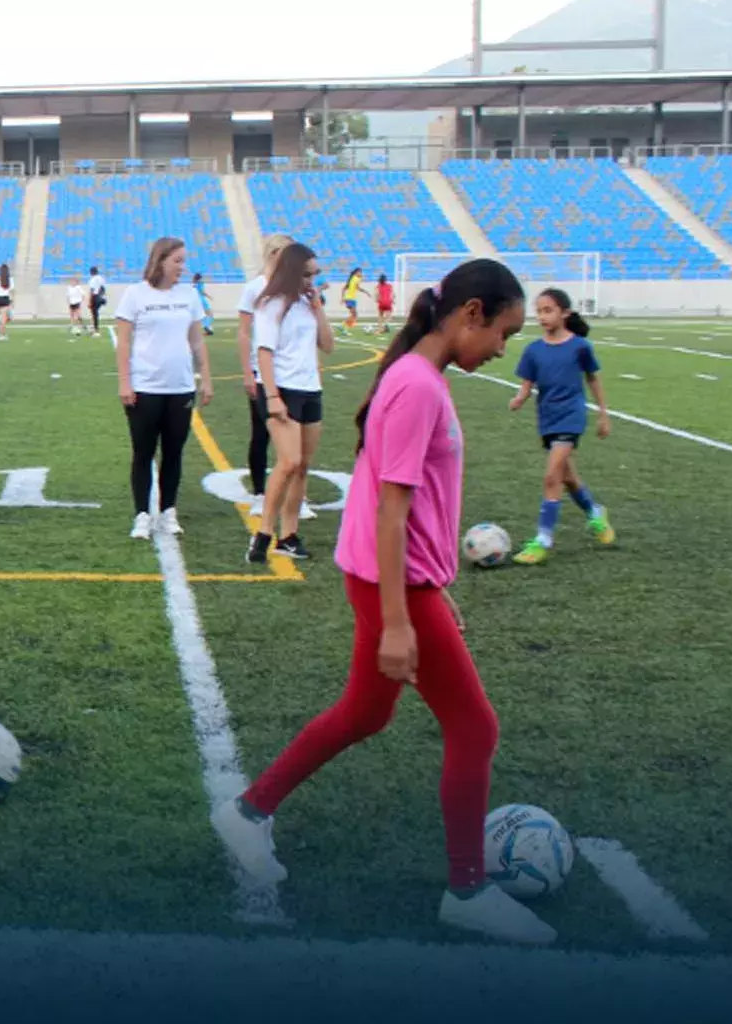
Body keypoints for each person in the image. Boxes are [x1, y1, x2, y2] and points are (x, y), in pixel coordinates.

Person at [212, 259, 557, 946]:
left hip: (402, 581)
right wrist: (400, 621)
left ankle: (248, 814)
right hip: (388, 583)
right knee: (475, 729)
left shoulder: (418, 379)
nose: (500, 349)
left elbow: (403, 503)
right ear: (472, 314)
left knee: (365, 713)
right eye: (504, 332)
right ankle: (467, 889)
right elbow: (390, 511)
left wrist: (434, 592)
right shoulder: (417, 386)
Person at [113, 237, 213, 540]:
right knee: (143, 452)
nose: (182, 267)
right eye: (177, 261)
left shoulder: (189, 296)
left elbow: (196, 340)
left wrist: (205, 377)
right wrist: (124, 382)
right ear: (161, 260)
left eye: (183, 261)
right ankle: (142, 514)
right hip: (144, 386)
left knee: (174, 453)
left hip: (180, 387)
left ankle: (169, 510)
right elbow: (125, 342)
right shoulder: (135, 294)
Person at [509, 287, 614, 565]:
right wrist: (520, 398)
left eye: (548, 310)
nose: (542, 316)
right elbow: (527, 382)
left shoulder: (579, 346)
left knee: (551, 477)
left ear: (564, 313)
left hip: (571, 416)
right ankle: (595, 513)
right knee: (568, 478)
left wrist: (604, 414)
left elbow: (593, 379)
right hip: (547, 419)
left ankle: (543, 540)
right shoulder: (534, 350)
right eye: (539, 311)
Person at [246, 243, 335, 564]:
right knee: (288, 462)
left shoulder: (307, 303)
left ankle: (289, 535)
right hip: (281, 388)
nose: (312, 280)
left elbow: (328, 345)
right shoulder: (271, 304)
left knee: (302, 466)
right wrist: (271, 396)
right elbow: (264, 352)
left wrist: (318, 309)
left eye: (315, 274)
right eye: (306, 274)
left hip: (309, 388)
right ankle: (263, 534)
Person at [238, 234, 294, 519]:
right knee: (261, 433)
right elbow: (245, 331)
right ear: (272, 254)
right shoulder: (254, 288)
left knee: (296, 436)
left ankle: (297, 495)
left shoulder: (295, 288)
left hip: (292, 374)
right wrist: (248, 372)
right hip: (263, 371)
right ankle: (260, 492)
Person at [340, 267, 370, 334]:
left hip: (351, 299)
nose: (361, 273)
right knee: (354, 315)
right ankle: (344, 328)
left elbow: (343, 288)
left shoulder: (351, 278)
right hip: (350, 299)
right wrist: (366, 292)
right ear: (356, 272)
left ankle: (343, 326)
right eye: (360, 272)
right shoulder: (356, 279)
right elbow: (358, 288)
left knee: (354, 315)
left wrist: (342, 298)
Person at [87, 266, 108, 333]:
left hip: (95, 297)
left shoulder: (92, 280)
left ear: (91, 272)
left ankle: (95, 329)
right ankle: (94, 327)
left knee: (94, 313)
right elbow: (103, 288)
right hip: (101, 297)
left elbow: (92, 291)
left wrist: (89, 301)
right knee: (95, 313)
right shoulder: (102, 278)